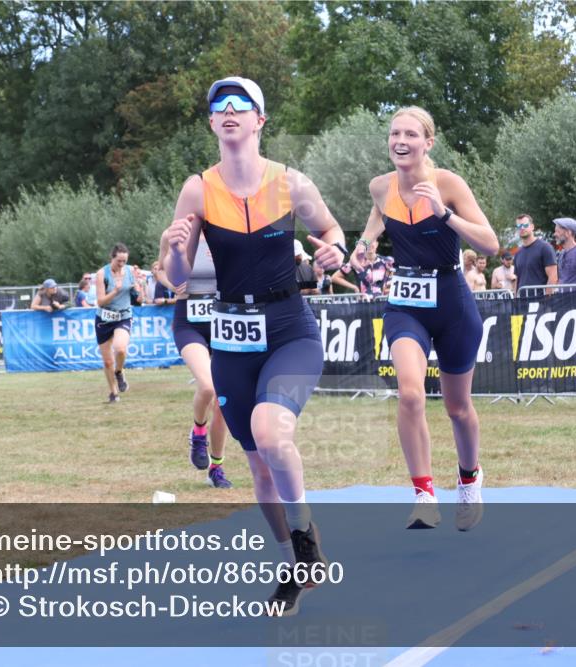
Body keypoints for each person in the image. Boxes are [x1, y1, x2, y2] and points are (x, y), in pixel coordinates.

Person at [164, 76, 346, 616]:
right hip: (231, 340)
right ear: (212, 123)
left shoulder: (292, 183)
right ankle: (295, 560)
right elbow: (178, 275)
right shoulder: (198, 188)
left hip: (289, 329)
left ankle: (306, 535)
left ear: (260, 120)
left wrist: (333, 252)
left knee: (272, 433)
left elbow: (333, 233)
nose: (228, 111)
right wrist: (173, 251)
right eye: (219, 106)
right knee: (259, 467)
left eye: (240, 105)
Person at [350, 106, 499, 532]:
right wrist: (365, 243)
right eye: (395, 133)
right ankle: (424, 494)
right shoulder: (380, 186)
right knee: (410, 395)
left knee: (458, 407)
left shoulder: (447, 183)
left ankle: (470, 479)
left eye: (410, 135)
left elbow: (489, 244)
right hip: (405, 305)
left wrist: (445, 215)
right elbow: (379, 215)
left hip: (452, 303)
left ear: (427, 143)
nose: (400, 141)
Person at [160, 229, 234, 489]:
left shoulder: (226, 231)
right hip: (188, 322)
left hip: (223, 320)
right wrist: (173, 286)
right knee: (208, 386)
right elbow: (160, 270)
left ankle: (217, 467)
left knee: (224, 403)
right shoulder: (172, 235)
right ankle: (198, 432)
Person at [94, 244, 133, 403]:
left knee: (120, 349)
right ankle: (113, 393)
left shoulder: (130, 272)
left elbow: (138, 297)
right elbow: (100, 301)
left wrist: (139, 291)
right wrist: (115, 290)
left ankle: (119, 372)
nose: (122, 264)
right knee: (107, 361)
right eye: (119, 261)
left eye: (124, 261)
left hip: (123, 315)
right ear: (112, 258)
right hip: (104, 319)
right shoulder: (102, 274)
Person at [512, 214, 557, 292]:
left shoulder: (545, 247)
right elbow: (517, 279)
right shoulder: (518, 253)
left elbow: (553, 276)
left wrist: (547, 299)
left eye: (525, 225)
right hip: (522, 301)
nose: (522, 228)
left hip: (540, 300)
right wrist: (515, 300)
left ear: (532, 226)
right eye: (519, 226)